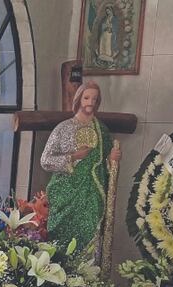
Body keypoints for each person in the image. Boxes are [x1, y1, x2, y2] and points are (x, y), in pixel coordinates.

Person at [41, 81, 121, 253]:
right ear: (78, 100)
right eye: (86, 98)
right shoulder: (64, 128)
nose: (90, 102)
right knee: (62, 238)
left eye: (94, 98)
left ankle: (87, 274)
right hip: (66, 191)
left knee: (90, 232)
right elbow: (46, 160)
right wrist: (73, 157)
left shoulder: (102, 130)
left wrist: (111, 159)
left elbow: (106, 163)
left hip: (92, 192)